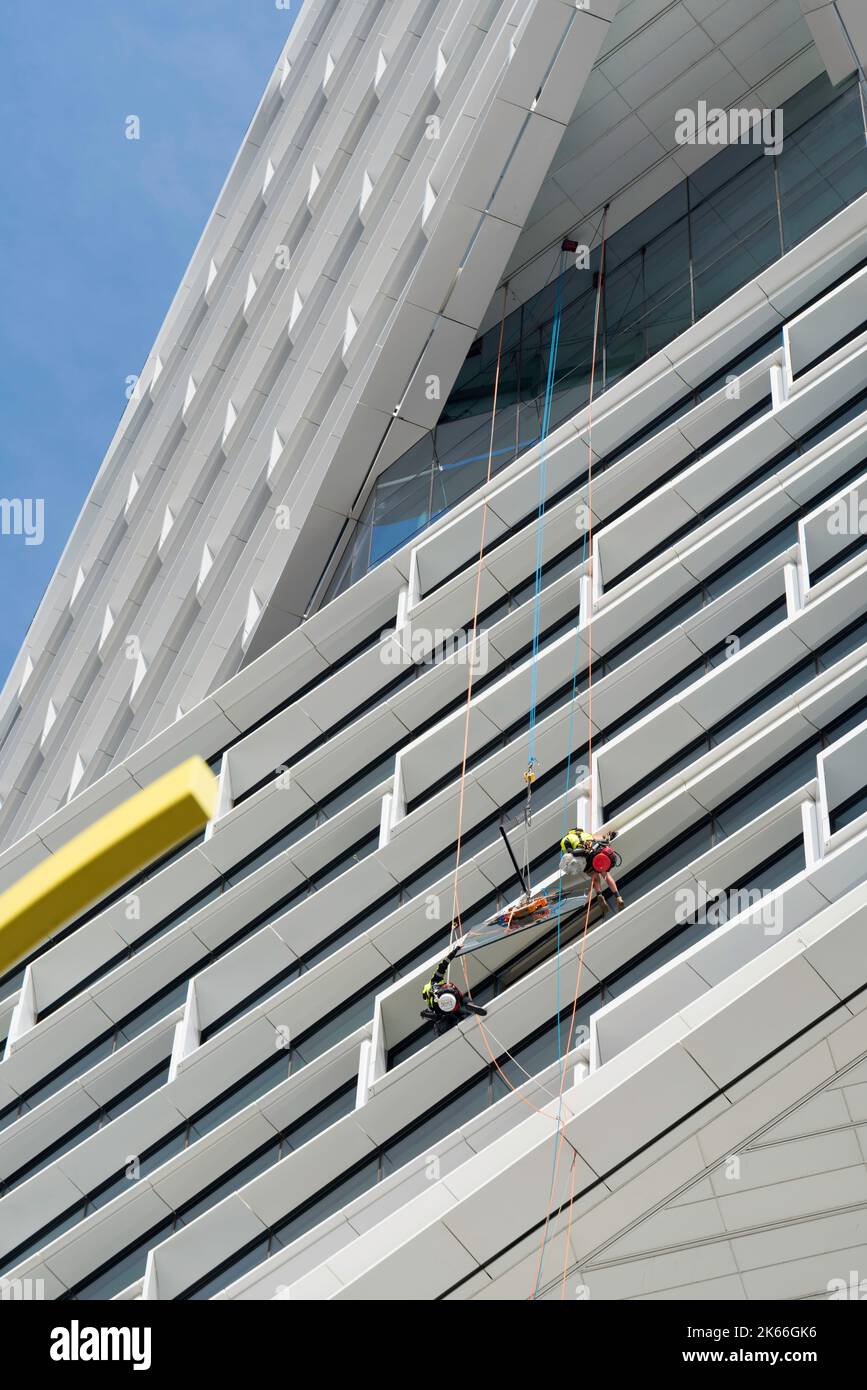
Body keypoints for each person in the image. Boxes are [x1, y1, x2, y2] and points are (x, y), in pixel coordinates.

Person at [421, 946, 487, 1035]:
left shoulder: (431, 1003)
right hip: (453, 997)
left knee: (445, 1020)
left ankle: (456, 1021)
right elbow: (443, 965)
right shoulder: (435, 981)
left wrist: (424, 1014)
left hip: (446, 1009)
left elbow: (435, 1016)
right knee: (462, 1002)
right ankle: (468, 1006)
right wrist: (455, 951)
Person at [559, 828, 625, 912]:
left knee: (595, 877)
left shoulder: (565, 839)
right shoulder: (586, 834)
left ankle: (599, 894)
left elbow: (570, 854)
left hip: (586, 860)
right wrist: (609, 837)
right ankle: (618, 897)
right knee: (606, 876)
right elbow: (600, 840)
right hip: (596, 853)